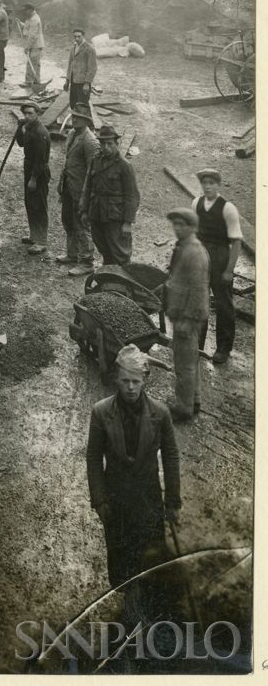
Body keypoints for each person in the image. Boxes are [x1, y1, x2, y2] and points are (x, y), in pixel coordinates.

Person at [86, 344, 181, 591]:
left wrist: (172, 500)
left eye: (135, 381)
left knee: (151, 557)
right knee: (120, 558)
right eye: (125, 380)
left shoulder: (161, 414)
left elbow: (170, 456)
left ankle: (149, 601)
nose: (130, 387)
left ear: (145, 380)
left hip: (148, 498)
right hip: (115, 499)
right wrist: (99, 500)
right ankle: (127, 602)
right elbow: (94, 458)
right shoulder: (101, 412)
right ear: (117, 379)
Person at [163, 208, 211, 421]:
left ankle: (183, 408)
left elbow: (199, 290)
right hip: (181, 313)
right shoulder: (183, 247)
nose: (177, 228)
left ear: (192, 227)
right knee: (191, 359)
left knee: (184, 364)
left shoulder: (195, 253)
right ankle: (195, 399)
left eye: (182, 225)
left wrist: (189, 320)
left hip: (187, 316)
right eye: (175, 224)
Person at [192, 169, 242, 365]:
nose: (208, 186)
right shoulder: (196, 203)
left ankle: (223, 347)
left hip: (221, 256)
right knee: (199, 300)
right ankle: (198, 343)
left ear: (218, 185)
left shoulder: (228, 208)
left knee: (223, 304)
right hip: (201, 257)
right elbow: (193, 233)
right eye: (205, 183)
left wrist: (229, 270)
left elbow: (236, 242)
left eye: (212, 183)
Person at [80, 126, 140, 266]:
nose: (106, 147)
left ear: (116, 144)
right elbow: (88, 187)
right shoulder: (96, 161)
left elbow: (132, 196)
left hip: (115, 216)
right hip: (97, 212)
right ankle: (109, 280)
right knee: (103, 248)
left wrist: (127, 222)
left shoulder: (124, 166)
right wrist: (84, 210)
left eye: (109, 144)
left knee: (120, 253)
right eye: (102, 144)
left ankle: (123, 282)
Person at [57, 104, 99, 275]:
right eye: (73, 116)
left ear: (86, 121)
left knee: (82, 225)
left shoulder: (90, 142)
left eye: (78, 117)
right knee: (68, 220)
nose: (74, 119)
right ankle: (72, 254)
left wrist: (87, 196)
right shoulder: (73, 134)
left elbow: (94, 171)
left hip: (81, 191)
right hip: (68, 186)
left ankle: (87, 262)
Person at [15, 101, 51, 255]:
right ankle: (34, 235)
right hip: (29, 168)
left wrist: (34, 179)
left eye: (30, 113)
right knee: (30, 203)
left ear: (38, 114)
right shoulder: (29, 128)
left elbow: (41, 160)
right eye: (25, 113)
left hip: (39, 171)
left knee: (39, 205)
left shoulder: (40, 132)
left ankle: (41, 241)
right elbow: (21, 143)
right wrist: (19, 128)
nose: (27, 116)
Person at [64, 27, 98, 107]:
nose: (77, 38)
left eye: (79, 36)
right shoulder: (73, 48)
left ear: (83, 36)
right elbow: (70, 65)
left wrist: (87, 83)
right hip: (73, 81)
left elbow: (92, 68)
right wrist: (67, 81)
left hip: (82, 83)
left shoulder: (89, 49)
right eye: (75, 37)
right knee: (73, 104)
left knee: (82, 106)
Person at [17, 2, 45, 87]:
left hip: (35, 45)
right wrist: (20, 23)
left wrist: (27, 47)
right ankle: (37, 81)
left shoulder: (34, 19)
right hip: (35, 45)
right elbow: (27, 27)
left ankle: (28, 82)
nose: (25, 12)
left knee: (31, 63)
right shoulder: (31, 17)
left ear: (30, 10)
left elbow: (33, 35)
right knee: (36, 63)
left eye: (26, 10)